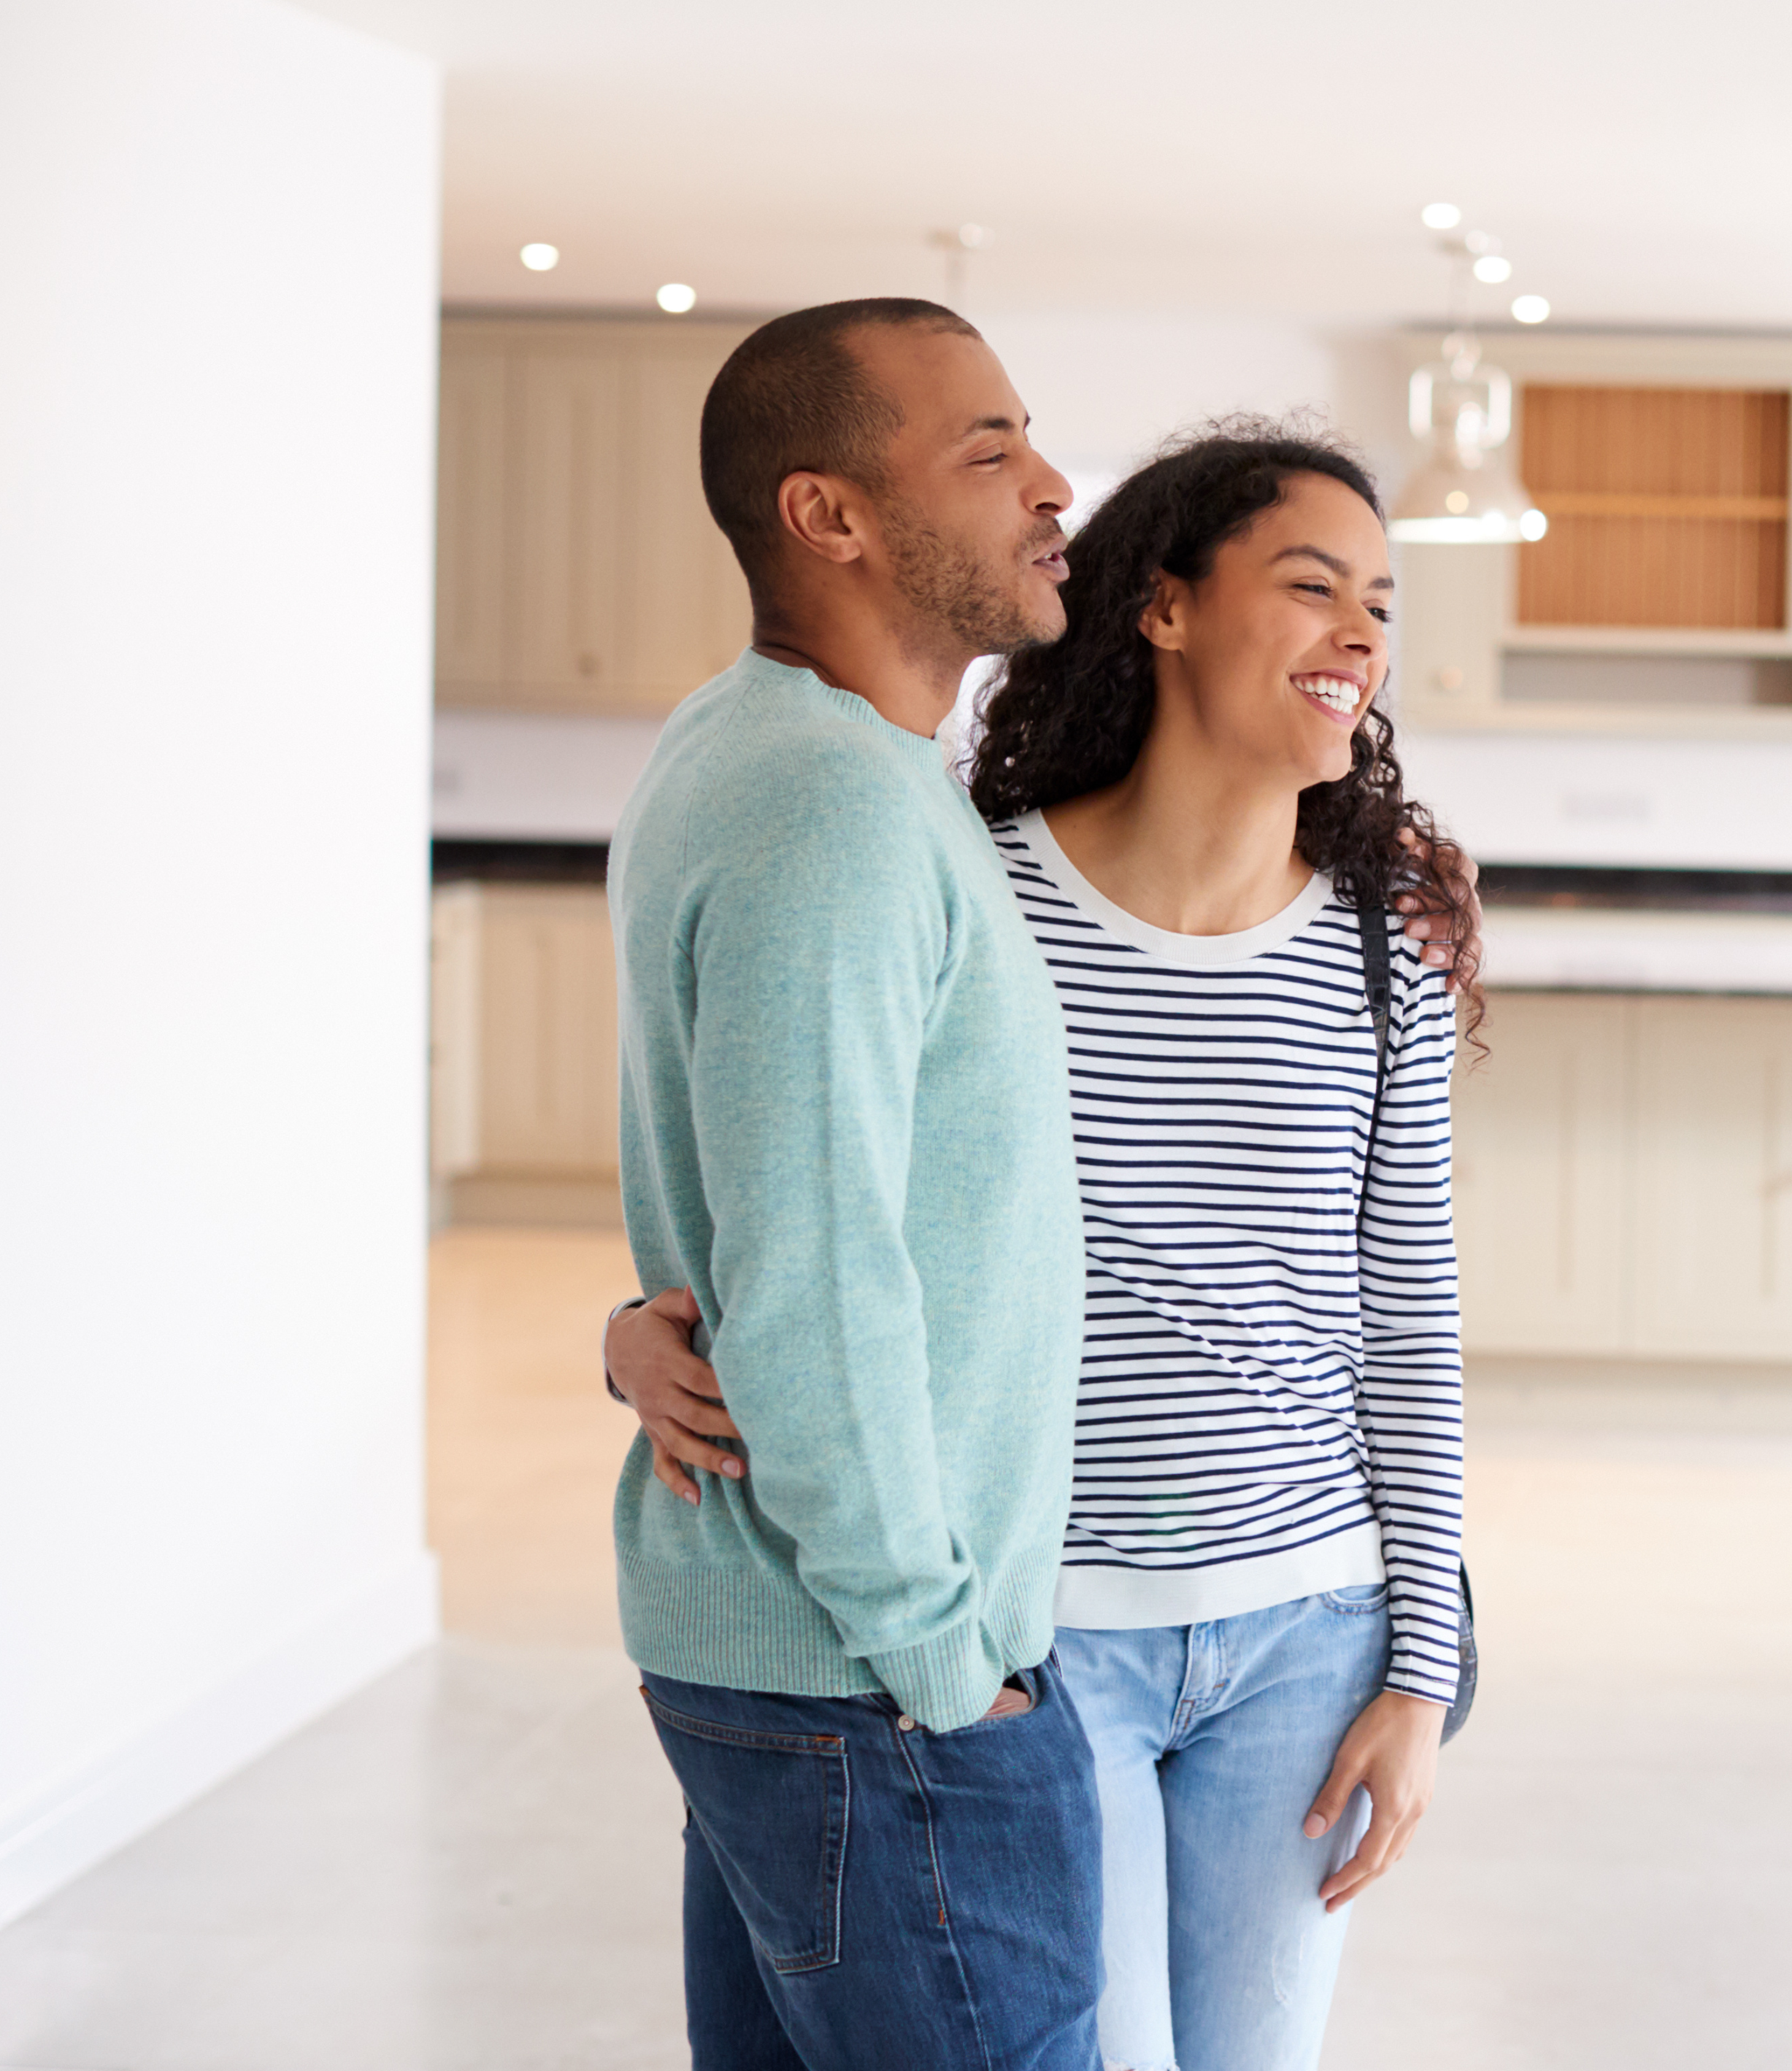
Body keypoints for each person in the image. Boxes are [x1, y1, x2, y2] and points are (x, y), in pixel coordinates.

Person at [609, 422, 1474, 2071]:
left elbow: (1411, 1322)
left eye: (1382, 601)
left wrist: (1420, 1673)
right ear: (1160, 605)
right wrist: (629, 1323)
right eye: (1313, 587)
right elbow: (808, 1189)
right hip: (1039, 1629)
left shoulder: (1385, 952)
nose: (1363, 635)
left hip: (1306, 1622)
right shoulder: (972, 889)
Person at [609, 296, 1104, 2071]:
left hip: (803, 1669)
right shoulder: (832, 806)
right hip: (871, 1681)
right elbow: (815, 1273)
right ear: (829, 514)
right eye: (989, 451)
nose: (1052, 485)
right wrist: (945, 1663)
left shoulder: (768, 752)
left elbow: (749, 1191)